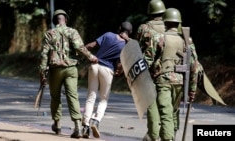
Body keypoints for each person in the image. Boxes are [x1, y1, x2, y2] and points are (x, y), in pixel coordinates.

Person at [140, 8, 199, 141]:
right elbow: (194, 66)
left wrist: (140, 79)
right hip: (179, 82)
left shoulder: (158, 38)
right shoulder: (187, 41)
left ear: (165, 22)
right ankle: (170, 136)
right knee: (172, 113)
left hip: (163, 81)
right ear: (178, 23)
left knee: (165, 113)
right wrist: (192, 90)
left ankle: (168, 139)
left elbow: (147, 61)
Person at [39, 9, 98, 138]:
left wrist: (43, 74)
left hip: (56, 70)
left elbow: (44, 55)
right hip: (71, 68)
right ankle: (77, 126)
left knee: (55, 97)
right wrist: (91, 57)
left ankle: (57, 124)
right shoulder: (72, 32)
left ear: (55, 21)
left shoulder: (49, 34)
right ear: (65, 19)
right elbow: (80, 47)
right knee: (73, 96)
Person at [81, 21, 133, 138]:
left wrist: (82, 50)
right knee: (103, 99)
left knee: (91, 96)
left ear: (119, 28)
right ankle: (95, 121)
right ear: (130, 33)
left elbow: (92, 45)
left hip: (95, 65)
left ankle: (85, 126)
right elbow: (120, 64)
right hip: (107, 70)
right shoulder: (125, 45)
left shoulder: (108, 34)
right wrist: (119, 71)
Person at [136, 0, 166, 140]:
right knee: (168, 108)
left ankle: (152, 135)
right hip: (172, 73)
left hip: (151, 73)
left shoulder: (144, 28)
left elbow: (137, 50)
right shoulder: (172, 27)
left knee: (152, 104)